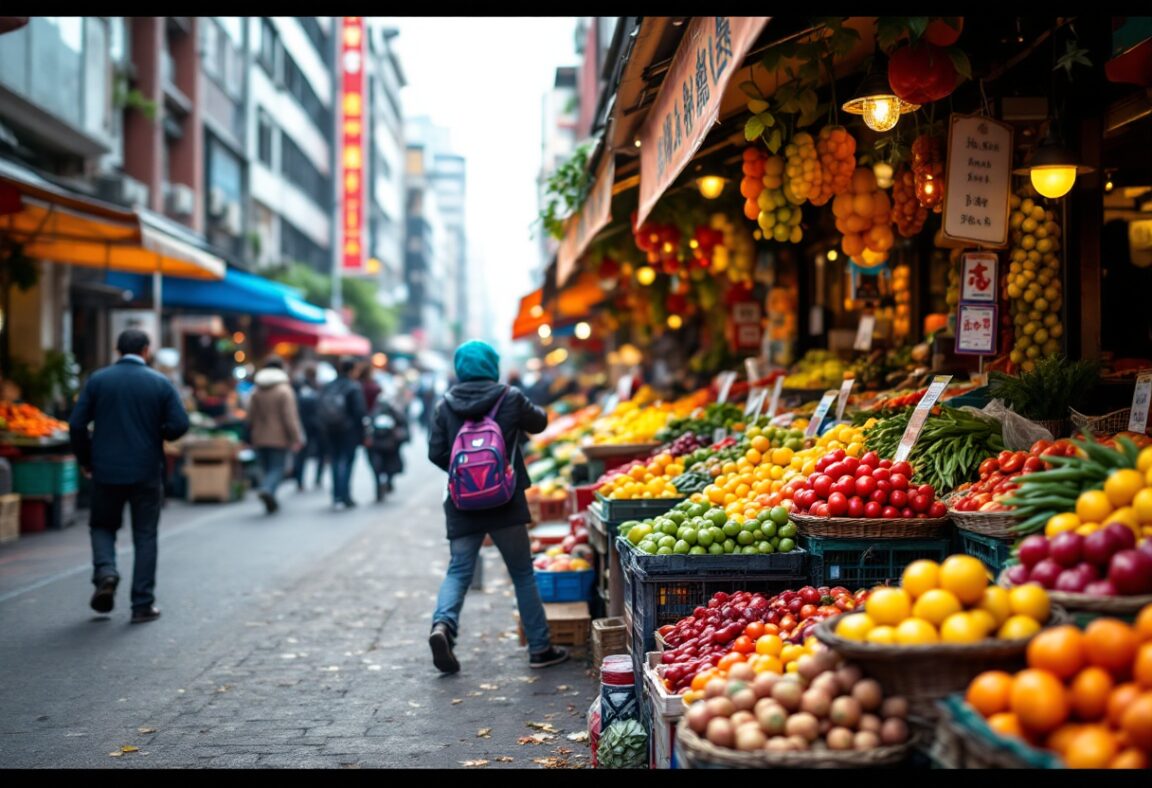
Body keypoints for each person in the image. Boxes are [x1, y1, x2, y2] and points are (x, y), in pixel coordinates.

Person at [427, 339, 568, 673]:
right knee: (521, 573)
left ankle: (443, 626)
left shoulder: (445, 404)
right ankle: (539, 648)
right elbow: (540, 423)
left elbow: (435, 453)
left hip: (463, 504)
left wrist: (467, 476)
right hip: (505, 500)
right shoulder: (510, 396)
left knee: (459, 570)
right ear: (492, 364)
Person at [68, 329, 190, 624]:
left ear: (116, 349)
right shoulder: (160, 382)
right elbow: (180, 424)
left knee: (102, 526)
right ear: (146, 350)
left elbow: (76, 425)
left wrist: (87, 459)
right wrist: (156, 434)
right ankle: (142, 604)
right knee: (145, 535)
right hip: (146, 469)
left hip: (105, 469)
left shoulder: (98, 380)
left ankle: (106, 571)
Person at [246, 357, 304, 514]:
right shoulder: (284, 390)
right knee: (277, 468)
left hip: (259, 435)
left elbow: (249, 415)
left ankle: (269, 493)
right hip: (279, 436)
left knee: (266, 468)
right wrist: (296, 437)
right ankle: (267, 490)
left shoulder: (256, 390)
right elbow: (290, 417)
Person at [321, 358, 367, 509]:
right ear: (352, 370)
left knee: (335, 460)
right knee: (347, 462)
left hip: (330, 429)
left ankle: (336, 496)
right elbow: (359, 412)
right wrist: (363, 434)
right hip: (349, 431)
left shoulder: (328, 386)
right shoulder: (353, 387)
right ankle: (345, 495)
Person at [365, 394, 409, 502]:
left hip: (380, 447)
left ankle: (382, 485)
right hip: (388, 446)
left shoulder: (374, 414)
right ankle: (385, 484)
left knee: (377, 468)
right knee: (386, 466)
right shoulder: (393, 413)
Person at [291, 364, 327, 491]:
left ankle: (300, 480)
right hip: (318, 423)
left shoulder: (298, 387)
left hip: (304, 423)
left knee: (302, 453)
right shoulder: (319, 387)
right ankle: (317, 478)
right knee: (320, 453)